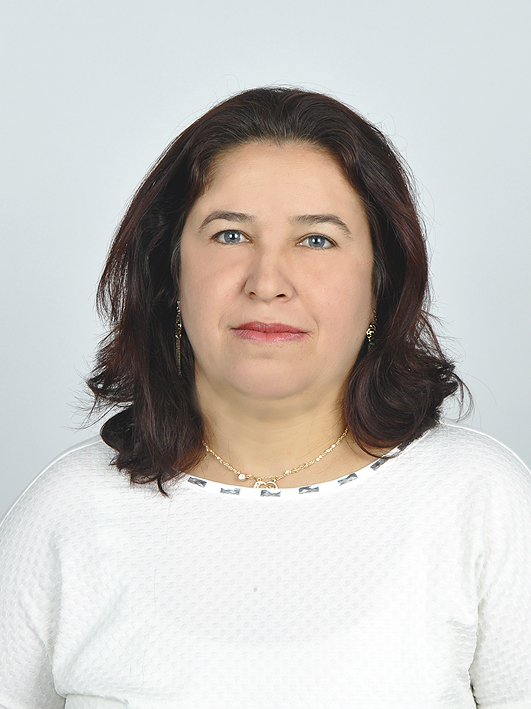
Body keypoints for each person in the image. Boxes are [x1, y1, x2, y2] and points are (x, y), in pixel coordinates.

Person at [0, 87, 530, 709]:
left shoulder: (479, 499)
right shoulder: (67, 511)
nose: (267, 282)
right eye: (230, 235)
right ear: (171, 274)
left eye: (317, 240)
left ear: (380, 284)